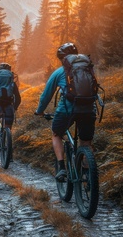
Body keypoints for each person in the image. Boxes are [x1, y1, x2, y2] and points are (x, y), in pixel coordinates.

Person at [34, 43, 97, 182]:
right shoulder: (88, 69)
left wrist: (40, 111)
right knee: (86, 142)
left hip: (66, 110)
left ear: (62, 58)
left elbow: (46, 95)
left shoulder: (59, 72)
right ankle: (87, 172)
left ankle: (61, 167)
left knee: (56, 134)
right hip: (88, 109)